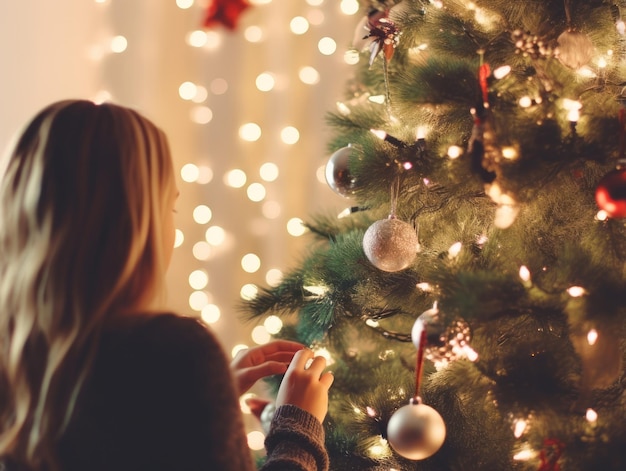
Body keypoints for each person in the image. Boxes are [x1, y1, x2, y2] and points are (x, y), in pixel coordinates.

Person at [0, 99, 334, 471]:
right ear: (133, 222)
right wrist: (297, 426)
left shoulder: (18, 351)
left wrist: (207, 398)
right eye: (169, 208)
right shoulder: (172, 350)